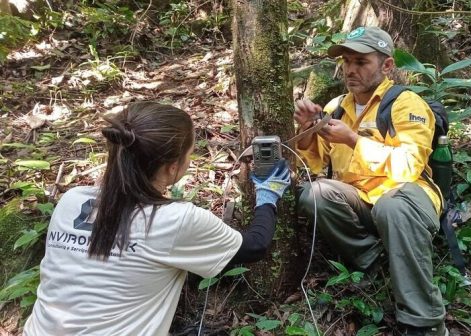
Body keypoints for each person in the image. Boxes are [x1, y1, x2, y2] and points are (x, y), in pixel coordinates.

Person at [23, 101, 291, 336]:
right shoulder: (175, 219)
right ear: (173, 168)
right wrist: (268, 196)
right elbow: (254, 246)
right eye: (189, 155)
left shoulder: (71, 200)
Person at [294, 26, 448, 336]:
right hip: (360, 201)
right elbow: (312, 163)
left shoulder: (405, 104)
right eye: (347, 62)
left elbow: (408, 167)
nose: (350, 70)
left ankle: (425, 322)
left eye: (361, 62)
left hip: (406, 198)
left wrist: (353, 140)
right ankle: (373, 258)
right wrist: (309, 128)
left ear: (387, 65)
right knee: (314, 194)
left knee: (392, 207)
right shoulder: (336, 106)